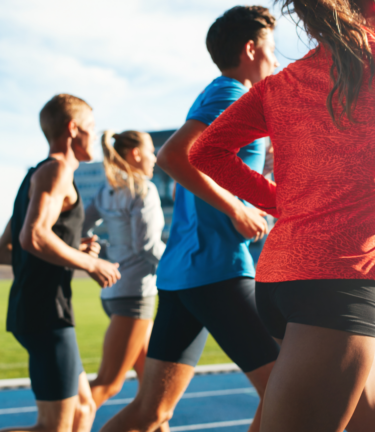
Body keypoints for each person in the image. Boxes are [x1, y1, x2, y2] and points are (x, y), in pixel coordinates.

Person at [189, 0, 375, 430]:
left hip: (279, 281)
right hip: (333, 288)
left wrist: (281, 202)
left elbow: (206, 151)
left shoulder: (281, 83)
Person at [101, 7, 281, 432]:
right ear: (250, 49)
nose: (275, 61)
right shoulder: (230, 94)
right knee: (285, 389)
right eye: (271, 50)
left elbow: (214, 169)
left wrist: (256, 184)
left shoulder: (215, 94)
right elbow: (173, 156)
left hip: (183, 273)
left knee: (152, 413)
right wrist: (237, 209)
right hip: (216, 268)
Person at [0, 94, 121, 432]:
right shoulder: (57, 170)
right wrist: (91, 264)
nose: (95, 135)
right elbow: (33, 237)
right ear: (73, 128)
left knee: (83, 409)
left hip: (43, 309)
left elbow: (4, 251)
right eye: (91, 127)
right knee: (54, 428)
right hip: (44, 312)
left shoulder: (36, 175)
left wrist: (70, 247)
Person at [82, 130, 166, 411]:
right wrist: (179, 265)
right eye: (151, 151)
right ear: (136, 154)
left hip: (113, 293)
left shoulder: (106, 191)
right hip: (135, 296)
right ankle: (59, 424)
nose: (155, 158)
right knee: (108, 384)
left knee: (152, 389)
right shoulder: (144, 190)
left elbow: (80, 228)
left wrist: (104, 252)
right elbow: (147, 246)